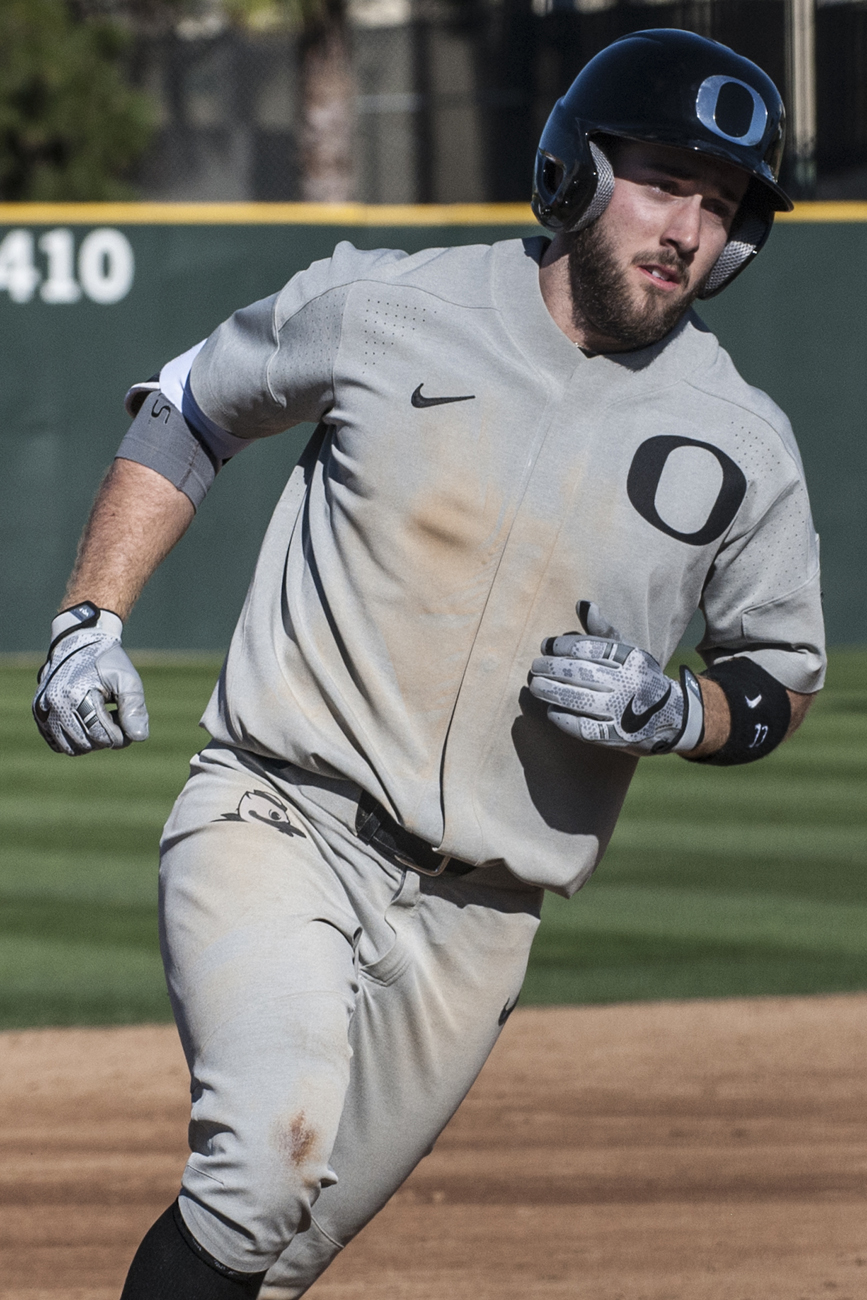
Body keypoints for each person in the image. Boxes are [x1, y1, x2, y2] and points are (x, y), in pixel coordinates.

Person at [33, 28, 825, 1300]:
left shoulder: (743, 441)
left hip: (480, 922)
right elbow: (191, 405)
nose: (689, 226)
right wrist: (89, 621)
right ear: (572, 168)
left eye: (722, 204)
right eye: (665, 180)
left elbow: (780, 670)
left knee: (275, 1263)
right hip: (278, 814)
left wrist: (680, 711)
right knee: (259, 1179)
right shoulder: (389, 304)